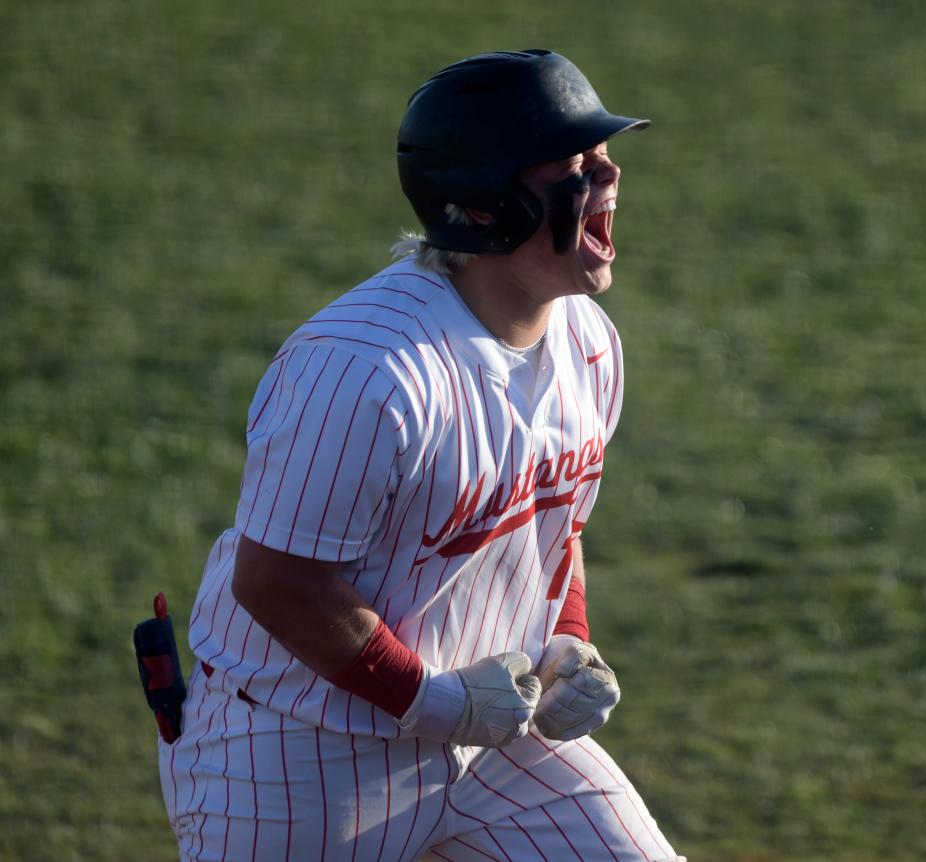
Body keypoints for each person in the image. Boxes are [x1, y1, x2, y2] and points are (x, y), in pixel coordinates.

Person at [157, 49, 684, 861]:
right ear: (485, 208)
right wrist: (430, 702)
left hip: (494, 736)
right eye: (574, 164)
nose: (608, 172)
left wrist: (568, 641)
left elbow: (551, 528)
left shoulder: (590, 344)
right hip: (300, 744)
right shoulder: (368, 368)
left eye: (603, 152)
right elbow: (276, 582)